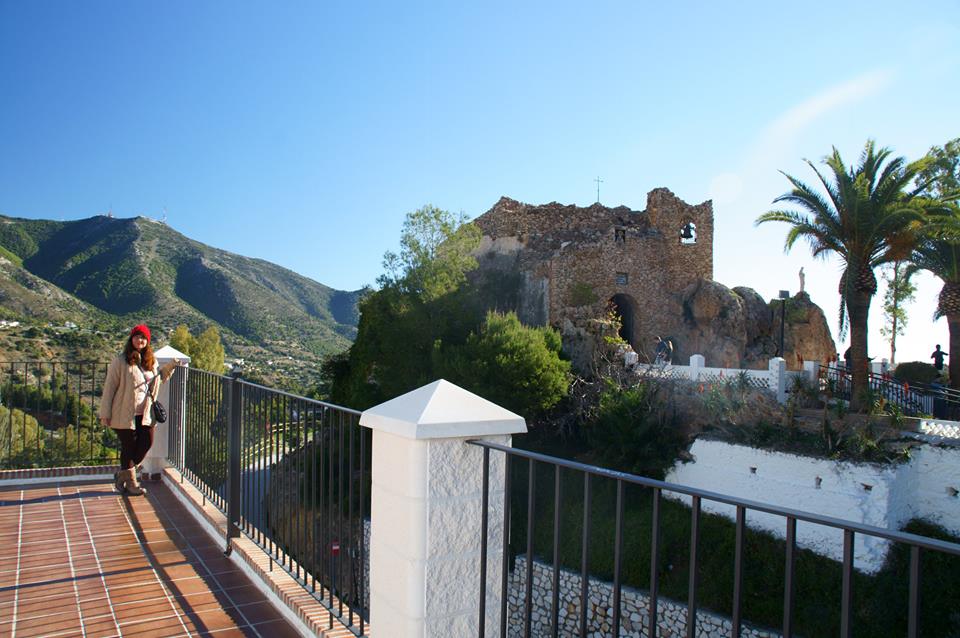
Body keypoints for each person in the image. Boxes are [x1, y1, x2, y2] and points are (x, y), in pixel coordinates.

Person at [100, 325, 180, 495]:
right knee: (129, 447)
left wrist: (171, 366)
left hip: (145, 413)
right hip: (123, 413)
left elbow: (158, 380)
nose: (140, 340)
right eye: (137, 337)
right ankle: (131, 484)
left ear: (147, 341)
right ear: (131, 339)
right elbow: (109, 387)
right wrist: (105, 413)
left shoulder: (151, 361)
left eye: (143, 338)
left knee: (146, 443)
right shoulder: (120, 361)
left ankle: (123, 475)